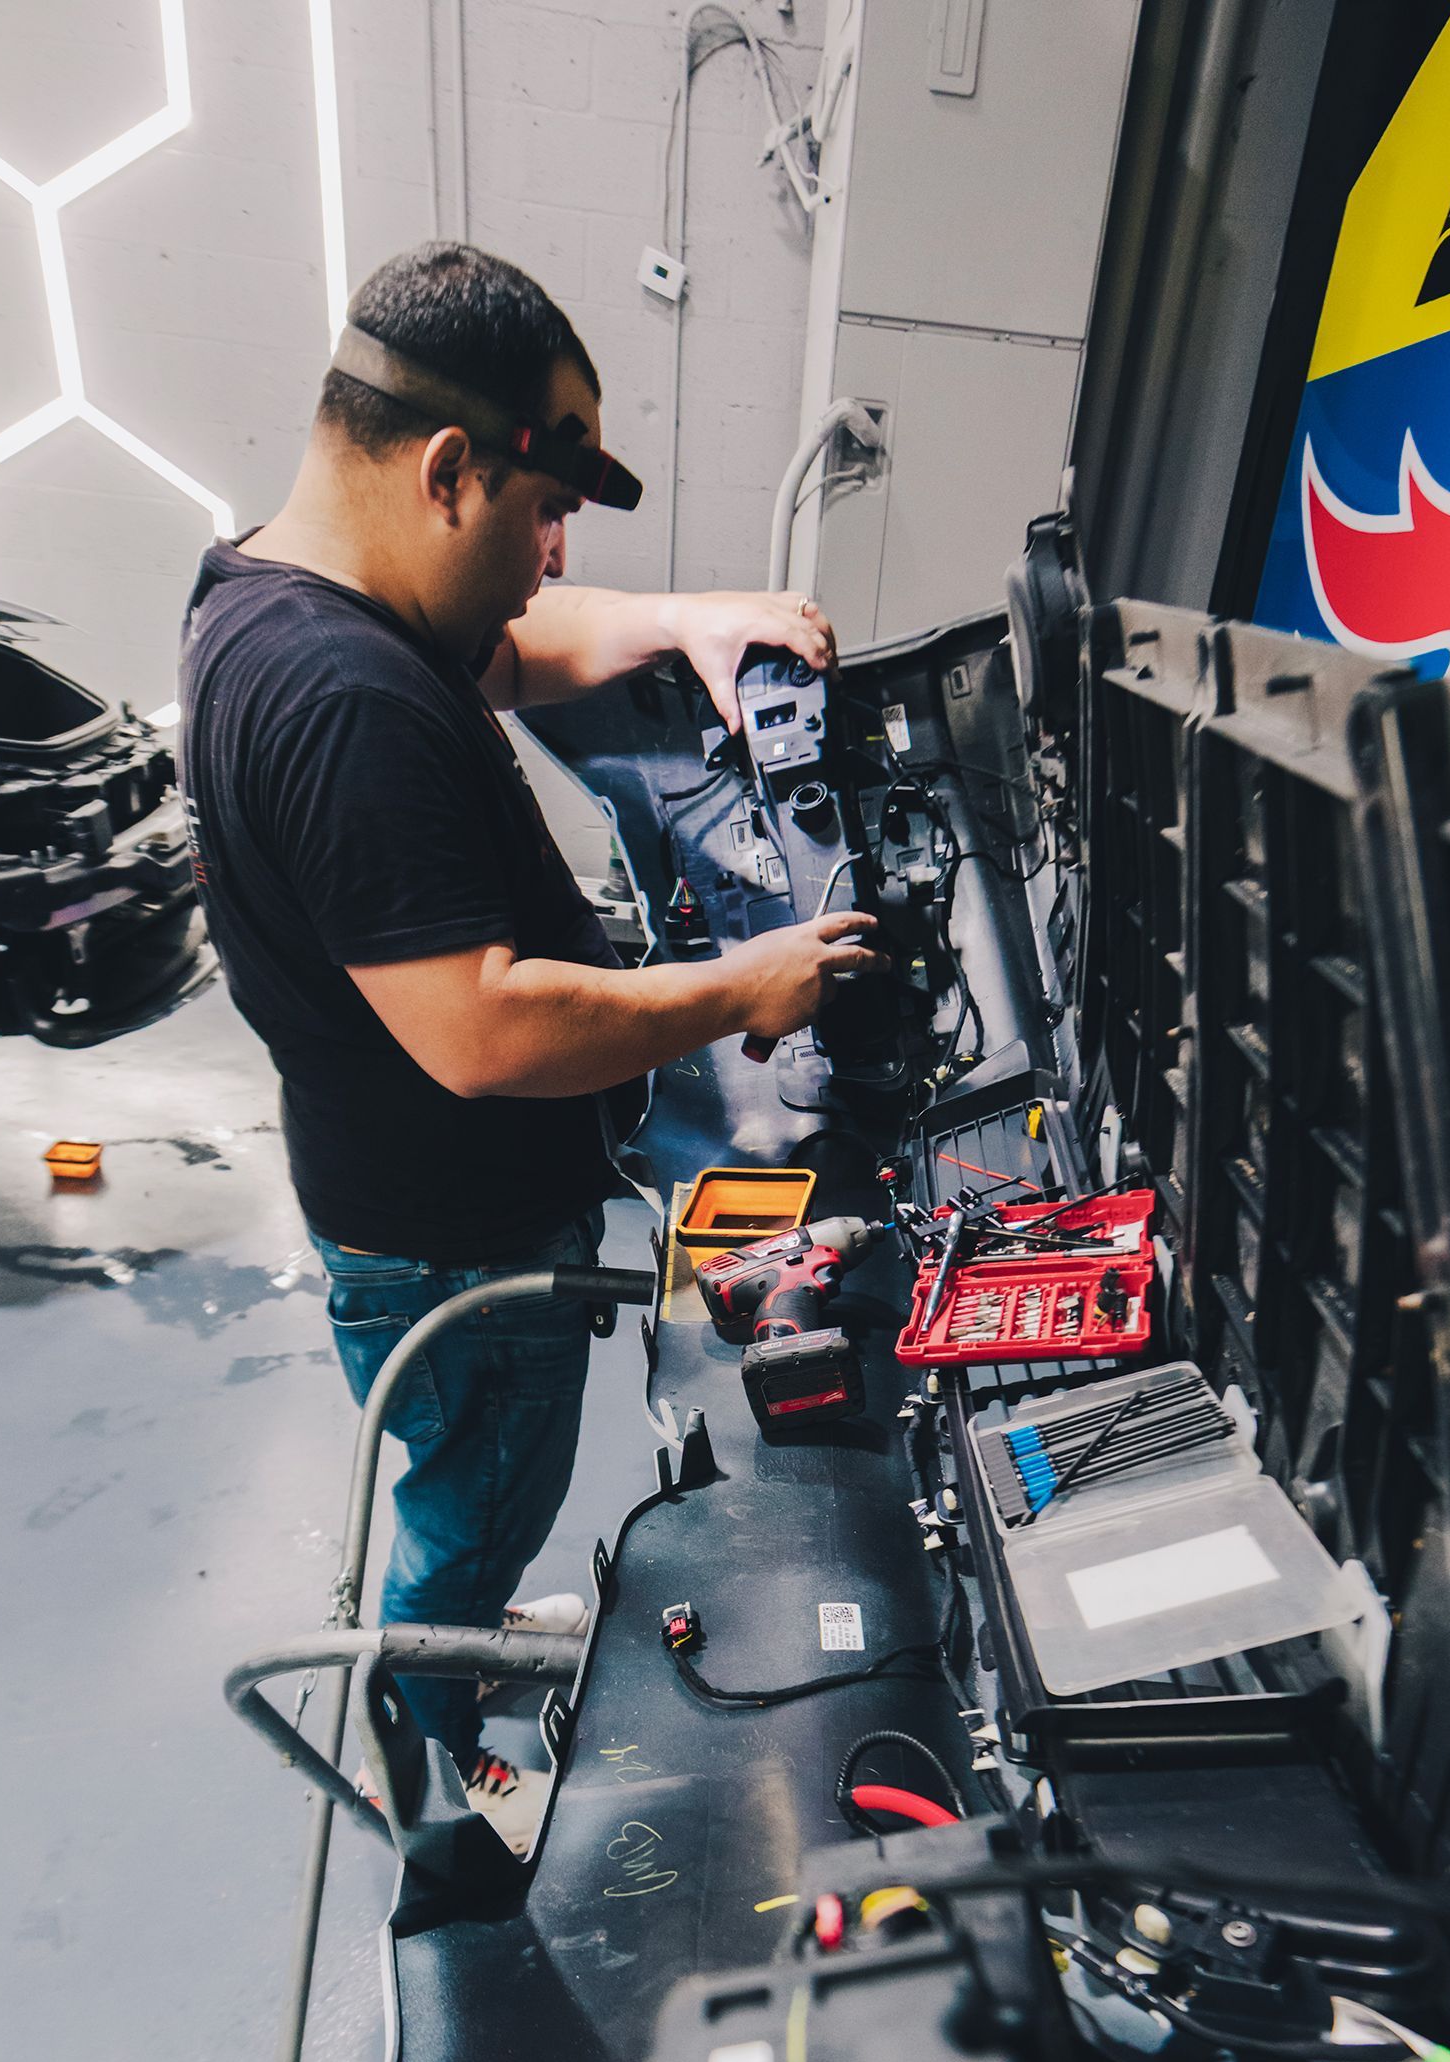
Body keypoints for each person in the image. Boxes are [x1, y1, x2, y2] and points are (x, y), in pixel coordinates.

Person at [179, 240, 878, 1803]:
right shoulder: (337, 698)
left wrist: (683, 616)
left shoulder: (289, 598)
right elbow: (481, 1031)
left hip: (418, 1208)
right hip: (454, 1253)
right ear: (446, 470)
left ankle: (462, 1626)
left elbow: (509, 654)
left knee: (471, 1492)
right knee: (481, 1500)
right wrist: (743, 986)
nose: (556, 554)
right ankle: (442, 1734)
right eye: (543, 510)